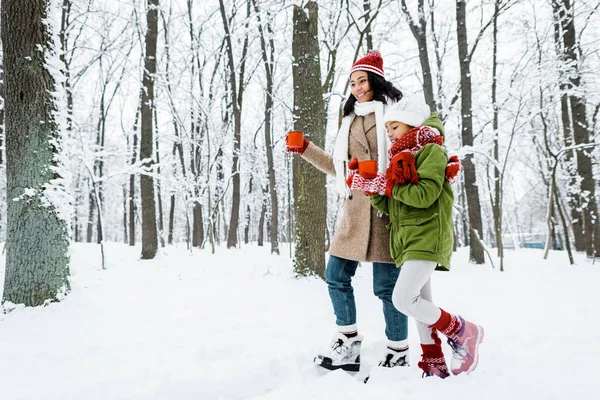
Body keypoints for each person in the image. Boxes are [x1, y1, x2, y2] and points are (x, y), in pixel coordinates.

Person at [285, 50, 445, 372]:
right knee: (335, 276)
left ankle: (397, 351)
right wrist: (305, 149)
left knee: (386, 288)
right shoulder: (348, 120)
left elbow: (422, 141)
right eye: (353, 82)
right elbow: (340, 169)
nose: (357, 87)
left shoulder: (395, 113)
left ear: (375, 80)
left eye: (362, 80)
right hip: (355, 212)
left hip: (388, 208)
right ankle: (348, 342)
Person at [350, 95, 483, 378]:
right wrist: (373, 189)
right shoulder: (400, 158)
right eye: (387, 129)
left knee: (403, 300)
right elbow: (391, 205)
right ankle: (434, 364)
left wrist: (389, 187)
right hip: (407, 241)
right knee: (422, 306)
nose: (389, 133)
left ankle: (462, 330)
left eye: (394, 126)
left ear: (411, 124)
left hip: (426, 236)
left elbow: (424, 196)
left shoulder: (431, 152)